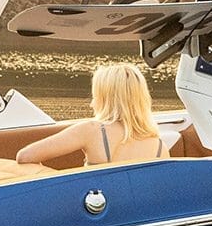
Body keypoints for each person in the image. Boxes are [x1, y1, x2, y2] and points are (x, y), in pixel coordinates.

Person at [15, 62, 168, 167]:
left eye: (95, 97)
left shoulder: (92, 130)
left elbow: (25, 157)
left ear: (105, 99)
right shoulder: (160, 147)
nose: (91, 104)